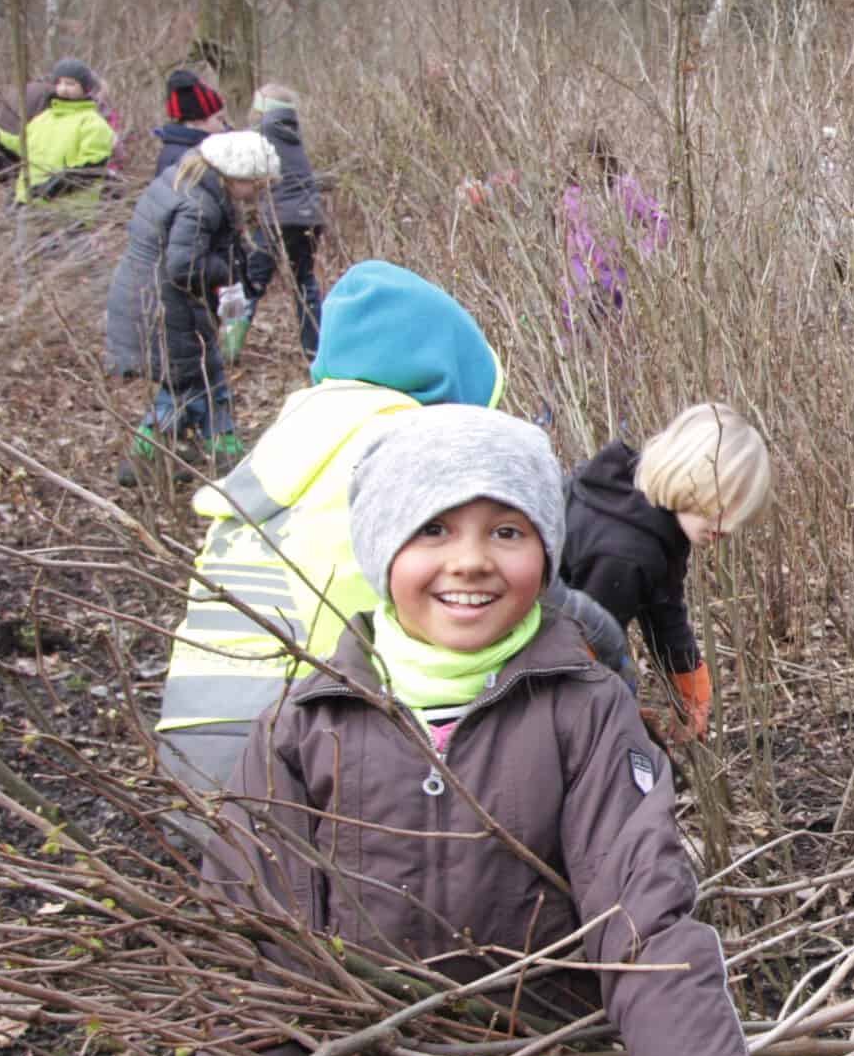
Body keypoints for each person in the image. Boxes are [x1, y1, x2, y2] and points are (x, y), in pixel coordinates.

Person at [199, 404, 749, 1056]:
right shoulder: (302, 727)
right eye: (434, 531)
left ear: (546, 548)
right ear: (379, 551)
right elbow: (248, 938)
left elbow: (644, 902)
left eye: (507, 531)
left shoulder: (584, 713)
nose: (471, 562)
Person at [151, 259, 636, 799]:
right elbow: (544, 602)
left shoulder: (301, 433)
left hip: (191, 739)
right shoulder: (402, 447)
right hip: (296, 744)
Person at [560, 402, 774, 743]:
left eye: (739, 515)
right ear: (688, 478)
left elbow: (663, 605)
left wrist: (691, 688)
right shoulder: (622, 552)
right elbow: (577, 653)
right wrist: (615, 718)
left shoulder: (651, 515)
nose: (729, 526)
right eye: (721, 507)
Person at [104, 129, 280, 482]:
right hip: (164, 308)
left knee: (193, 379)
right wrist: (228, 269)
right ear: (235, 176)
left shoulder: (183, 181)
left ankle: (199, 448)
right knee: (197, 379)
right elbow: (184, 266)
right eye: (256, 184)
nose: (260, 192)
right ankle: (166, 455)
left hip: (149, 299)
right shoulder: (199, 204)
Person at [0, 57, 115, 216]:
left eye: (70, 84)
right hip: (30, 203)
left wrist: (54, 186)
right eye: (59, 83)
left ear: (85, 88)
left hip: (68, 212)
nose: (63, 89)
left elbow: (91, 168)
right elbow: (23, 147)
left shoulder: (93, 124)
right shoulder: (44, 118)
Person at [559, 133, 670, 331]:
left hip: (618, 282)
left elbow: (659, 219)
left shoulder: (624, 188)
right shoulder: (570, 197)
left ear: (602, 160)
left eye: (589, 162)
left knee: (619, 337)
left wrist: (643, 251)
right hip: (581, 286)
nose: (584, 169)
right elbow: (566, 242)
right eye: (579, 163)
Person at [250, 83, 328, 354]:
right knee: (303, 280)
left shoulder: (258, 136)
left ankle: (229, 347)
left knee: (252, 280)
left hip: (278, 217)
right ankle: (314, 347)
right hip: (311, 217)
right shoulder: (293, 136)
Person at [149, 69, 229, 179]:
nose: (223, 127)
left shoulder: (177, 148)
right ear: (196, 120)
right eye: (219, 119)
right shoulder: (186, 158)